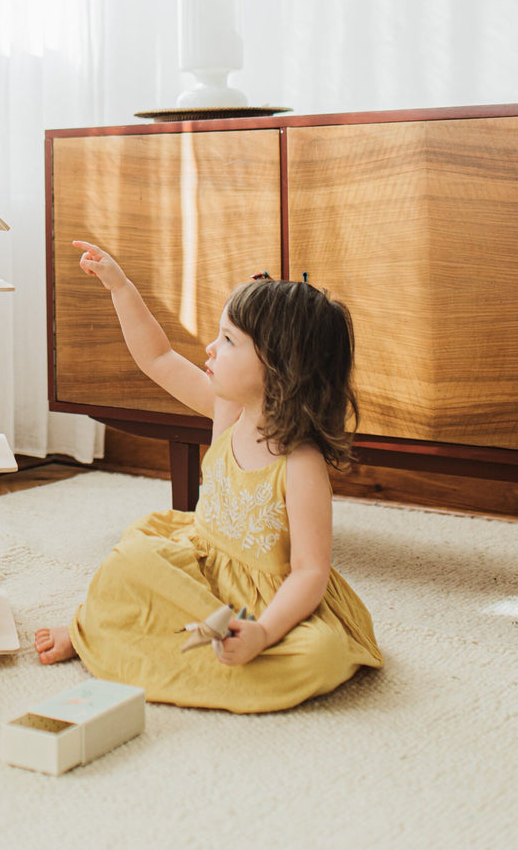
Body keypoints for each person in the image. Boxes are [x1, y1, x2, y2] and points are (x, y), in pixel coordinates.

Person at [34, 240, 383, 713]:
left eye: (229, 340)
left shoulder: (301, 466)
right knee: (129, 564)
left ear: (280, 368)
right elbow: (156, 357)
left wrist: (262, 632)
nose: (210, 348)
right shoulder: (229, 412)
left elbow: (309, 573)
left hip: (267, 603)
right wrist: (119, 286)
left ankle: (218, 648)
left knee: (318, 655)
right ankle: (88, 627)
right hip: (198, 572)